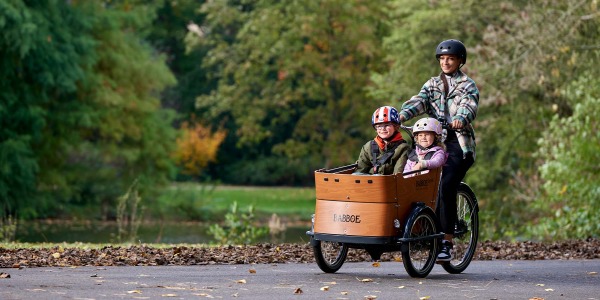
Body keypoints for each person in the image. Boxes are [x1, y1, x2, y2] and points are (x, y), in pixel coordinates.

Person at [398, 39, 479, 262]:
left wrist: (460, 119)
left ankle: (447, 242)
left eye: (450, 58)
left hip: (459, 144)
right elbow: (420, 101)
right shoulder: (433, 84)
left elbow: (469, 105)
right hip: (433, 141)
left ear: (460, 61)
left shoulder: (467, 85)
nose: (445, 62)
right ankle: (421, 228)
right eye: (442, 58)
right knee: (413, 176)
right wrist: (402, 115)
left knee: (445, 184)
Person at [355, 106, 410, 175]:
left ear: (396, 126)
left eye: (387, 125)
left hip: (389, 184)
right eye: (379, 126)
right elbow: (360, 171)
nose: (383, 129)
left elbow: (397, 176)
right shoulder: (369, 146)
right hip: (369, 183)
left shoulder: (403, 148)